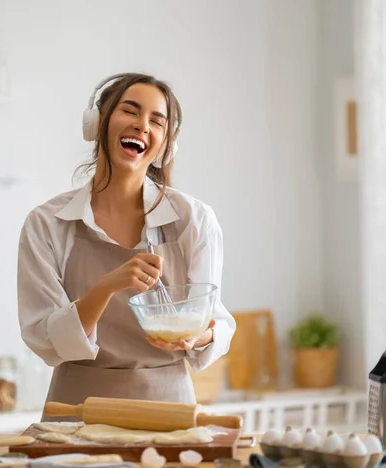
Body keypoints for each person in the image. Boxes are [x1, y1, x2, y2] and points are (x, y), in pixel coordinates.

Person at [17, 73, 236, 420]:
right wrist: (106, 286)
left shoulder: (194, 219)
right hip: (76, 413)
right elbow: (45, 341)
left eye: (156, 121)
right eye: (130, 111)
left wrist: (195, 337)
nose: (142, 126)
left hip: (169, 413)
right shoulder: (47, 224)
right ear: (98, 123)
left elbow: (215, 320)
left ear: (166, 144)